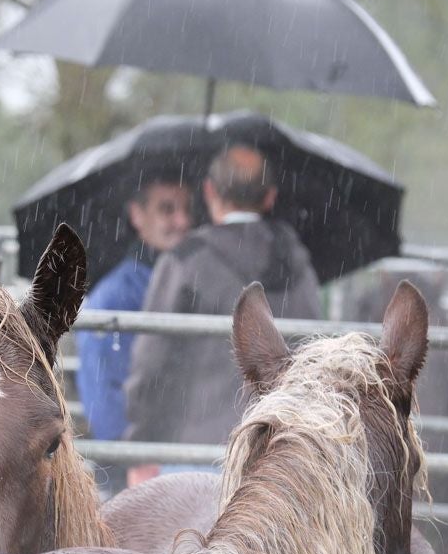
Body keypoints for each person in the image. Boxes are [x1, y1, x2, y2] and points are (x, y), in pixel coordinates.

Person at [122, 143, 322, 486]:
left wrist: (140, 446)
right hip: (281, 458)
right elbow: (314, 352)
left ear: (210, 190)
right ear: (270, 197)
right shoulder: (300, 264)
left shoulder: (186, 260)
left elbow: (152, 363)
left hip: (196, 456)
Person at [75, 176, 193, 488]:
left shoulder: (185, 279)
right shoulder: (115, 296)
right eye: (167, 209)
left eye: (186, 209)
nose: (182, 221)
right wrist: (134, 453)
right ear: (137, 215)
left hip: (173, 452)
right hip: (136, 469)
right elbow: (103, 393)